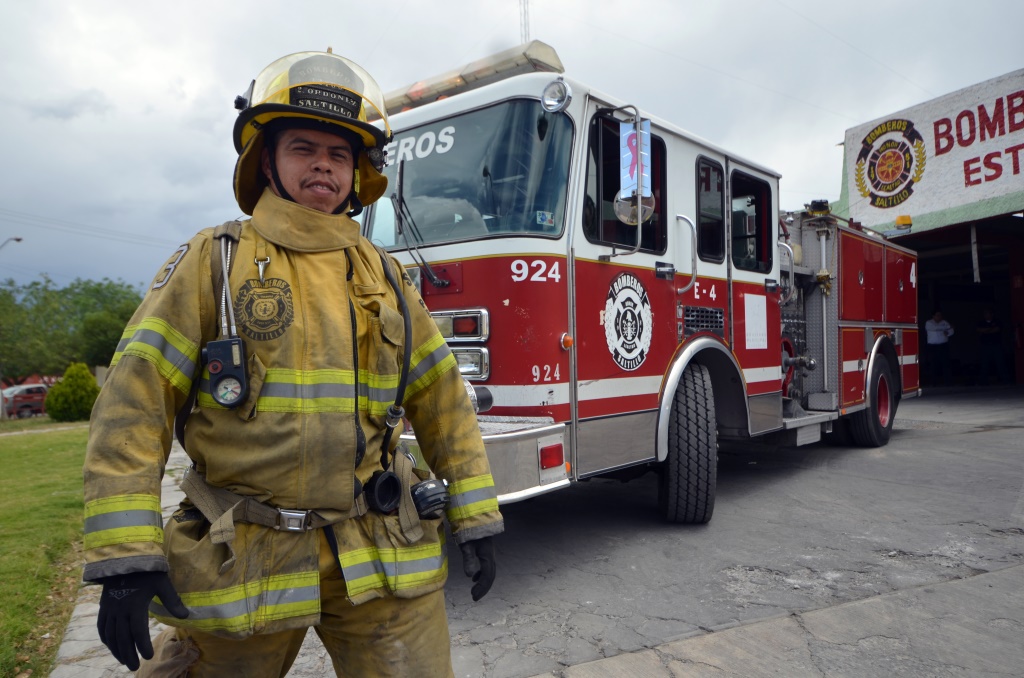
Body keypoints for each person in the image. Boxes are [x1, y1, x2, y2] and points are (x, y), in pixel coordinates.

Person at [83, 50, 503, 677]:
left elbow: (442, 400)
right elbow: (133, 405)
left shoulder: (385, 276)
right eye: (304, 148)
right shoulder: (212, 263)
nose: (323, 167)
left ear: (359, 172)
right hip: (244, 553)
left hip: (379, 546)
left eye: (339, 155)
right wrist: (126, 556)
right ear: (267, 160)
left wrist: (476, 513)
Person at [976, 308, 1007, 385]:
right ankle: (983, 382)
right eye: (984, 314)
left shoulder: (997, 321)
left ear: (992, 314)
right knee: (984, 364)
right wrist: (989, 329)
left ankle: (1005, 380)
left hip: (996, 345)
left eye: (987, 313)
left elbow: (996, 329)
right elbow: (979, 330)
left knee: (1000, 363)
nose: (986, 315)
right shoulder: (981, 322)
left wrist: (986, 330)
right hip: (985, 346)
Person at [924, 309, 954, 386]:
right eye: (937, 315)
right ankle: (933, 382)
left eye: (940, 315)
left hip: (943, 345)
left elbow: (951, 330)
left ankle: (948, 382)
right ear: (933, 316)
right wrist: (944, 329)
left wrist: (948, 332)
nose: (939, 317)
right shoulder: (929, 323)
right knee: (933, 364)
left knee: (945, 364)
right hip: (932, 346)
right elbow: (934, 329)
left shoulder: (944, 322)